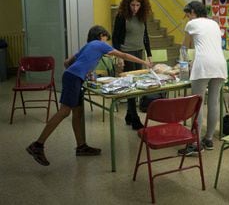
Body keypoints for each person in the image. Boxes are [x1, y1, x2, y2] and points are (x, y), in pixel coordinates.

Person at [26, 25, 152, 166]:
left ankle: (81, 146)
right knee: (64, 112)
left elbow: (67, 62)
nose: (106, 42)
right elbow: (123, 55)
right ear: (100, 35)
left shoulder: (88, 46)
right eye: (105, 38)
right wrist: (144, 62)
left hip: (72, 76)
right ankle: (37, 145)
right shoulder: (99, 44)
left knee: (78, 112)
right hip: (73, 78)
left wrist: (83, 71)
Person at [178, 1, 227, 156]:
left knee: (197, 104)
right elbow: (208, 45)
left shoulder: (192, 23)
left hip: (204, 65)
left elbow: (185, 47)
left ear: (193, 12)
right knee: (213, 103)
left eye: (187, 14)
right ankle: (208, 139)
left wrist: (181, 65)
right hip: (220, 64)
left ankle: (194, 143)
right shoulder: (214, 24)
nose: (186, 17)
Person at [112, 0, 153, 130]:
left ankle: (129, 115)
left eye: (137, 5)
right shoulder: (121, 16)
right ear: (127, 4)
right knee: (131, 86)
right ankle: (134, 118)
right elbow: (116, 38)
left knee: (137, 84)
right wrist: (119, 56)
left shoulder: (142, 16)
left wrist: (149, 54)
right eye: (132, 5)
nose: (135, 8)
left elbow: (145, 36)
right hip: (126, 53)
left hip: (139, 52)